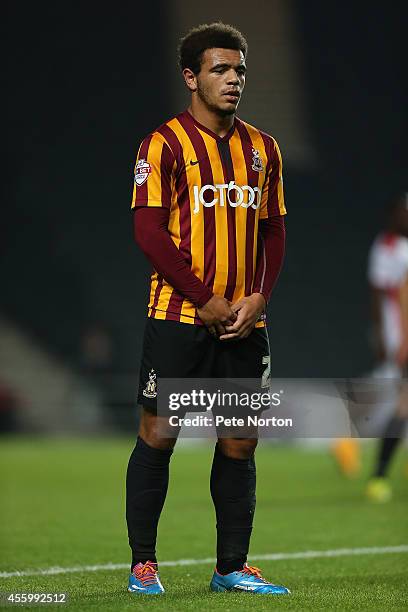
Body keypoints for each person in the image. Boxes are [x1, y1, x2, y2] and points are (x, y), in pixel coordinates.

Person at [126, 22, 289, 595]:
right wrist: (206, 299)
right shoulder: (164, 145)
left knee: (240, 440)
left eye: (240, 69)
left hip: (246, 322)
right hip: (178, 316)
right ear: (191, 77)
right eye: (220, 69)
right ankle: (144, 565)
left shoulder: (263, 148)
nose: (233, 80)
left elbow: (273, 233)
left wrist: (257, 297)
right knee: (159, 432)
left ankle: (231, 567)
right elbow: (148, 233)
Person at [365, 192, 408, 502]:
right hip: (399, 335)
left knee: (398, 400)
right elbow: (385, 294)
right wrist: (392, 336)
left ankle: (377, 472)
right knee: (401, 402)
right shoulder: (388, 247)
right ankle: (378, 474)